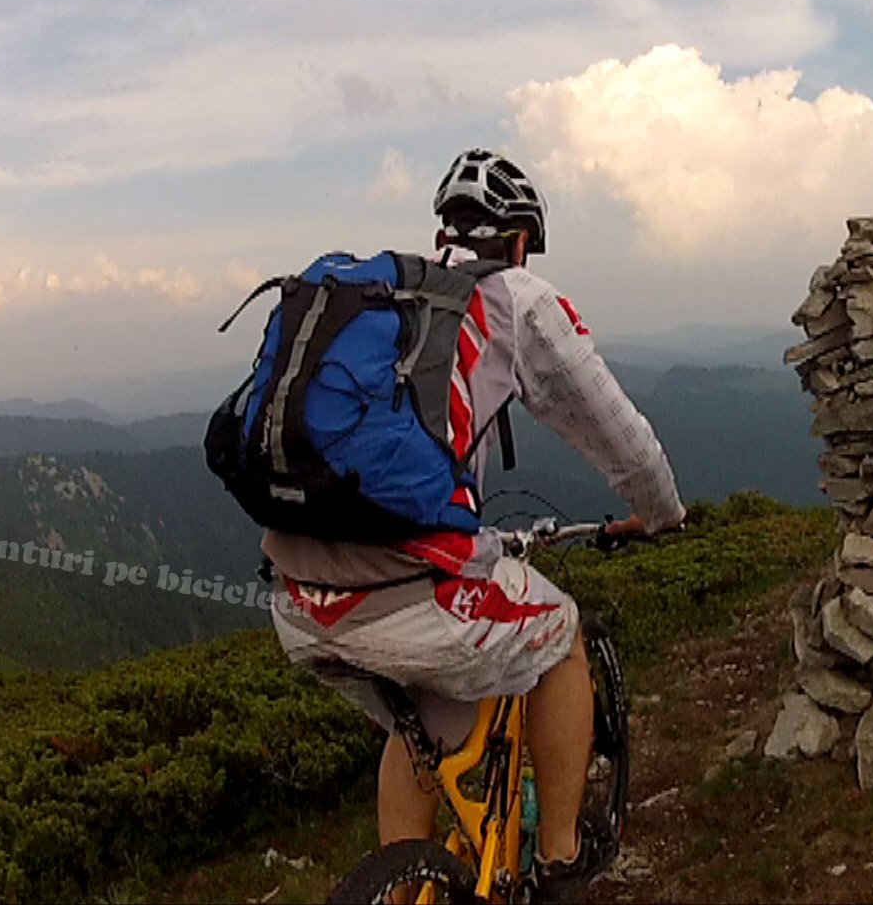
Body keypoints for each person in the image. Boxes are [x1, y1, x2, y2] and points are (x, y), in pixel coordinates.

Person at [261, 149, 685, 898]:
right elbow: (623, 438)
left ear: (445, 231)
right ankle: (558, 860)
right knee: (560, 637)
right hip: (410, 589)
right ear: (520, 240)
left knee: (416, 719)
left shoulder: (387, 297)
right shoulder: (515, 299)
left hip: (297, 598)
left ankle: (408, 885)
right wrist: (660, 515)